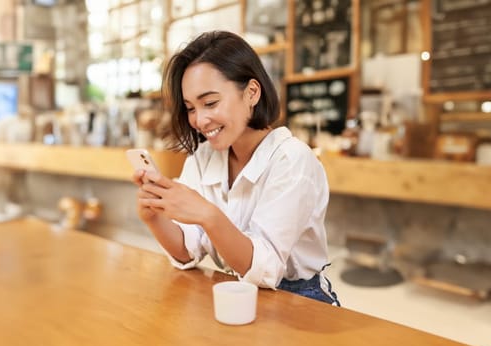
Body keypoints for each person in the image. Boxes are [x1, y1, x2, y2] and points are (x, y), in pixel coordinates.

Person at [132, 31, 339, 305]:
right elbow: (187, 251)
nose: (199, 120)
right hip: (238, 289)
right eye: (190, 108)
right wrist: (155, 217)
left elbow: (266, 269)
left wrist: (208, 215)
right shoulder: (203, 159)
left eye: (210, 103)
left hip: (300, 299)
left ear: (252, 92)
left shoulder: (292, 160)